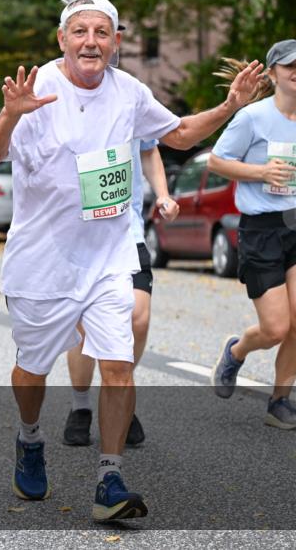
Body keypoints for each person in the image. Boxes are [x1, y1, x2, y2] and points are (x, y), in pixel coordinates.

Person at [0, 0, 263, 522]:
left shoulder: (129, 91)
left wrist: (229, 107)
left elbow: (175, 133)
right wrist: (11, 115)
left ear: (115, 42)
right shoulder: (37, 88)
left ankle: (109, 476)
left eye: (101, 32)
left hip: (110, 255)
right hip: (42, 261)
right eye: (80, 32)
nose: (91, 41)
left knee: (118, 364)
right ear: (62, 39)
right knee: (31, 371)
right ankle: (30, 437)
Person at [209, 40, 296, 429]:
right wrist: (261, 173)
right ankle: (236, 352)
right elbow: (217, 161)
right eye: (291, 66)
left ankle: (280, 402)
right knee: (276, 328)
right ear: (273, 75)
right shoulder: (252, 117)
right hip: (261, 228)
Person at [63, 140, 180, 447]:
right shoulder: (68, 99)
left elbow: (150, 148)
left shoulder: (133, 97)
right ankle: (81, 405)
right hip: (82, 236)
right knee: (85, 328)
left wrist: (163, 195)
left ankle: (119, 390)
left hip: (128, 234)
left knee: (138, 319)